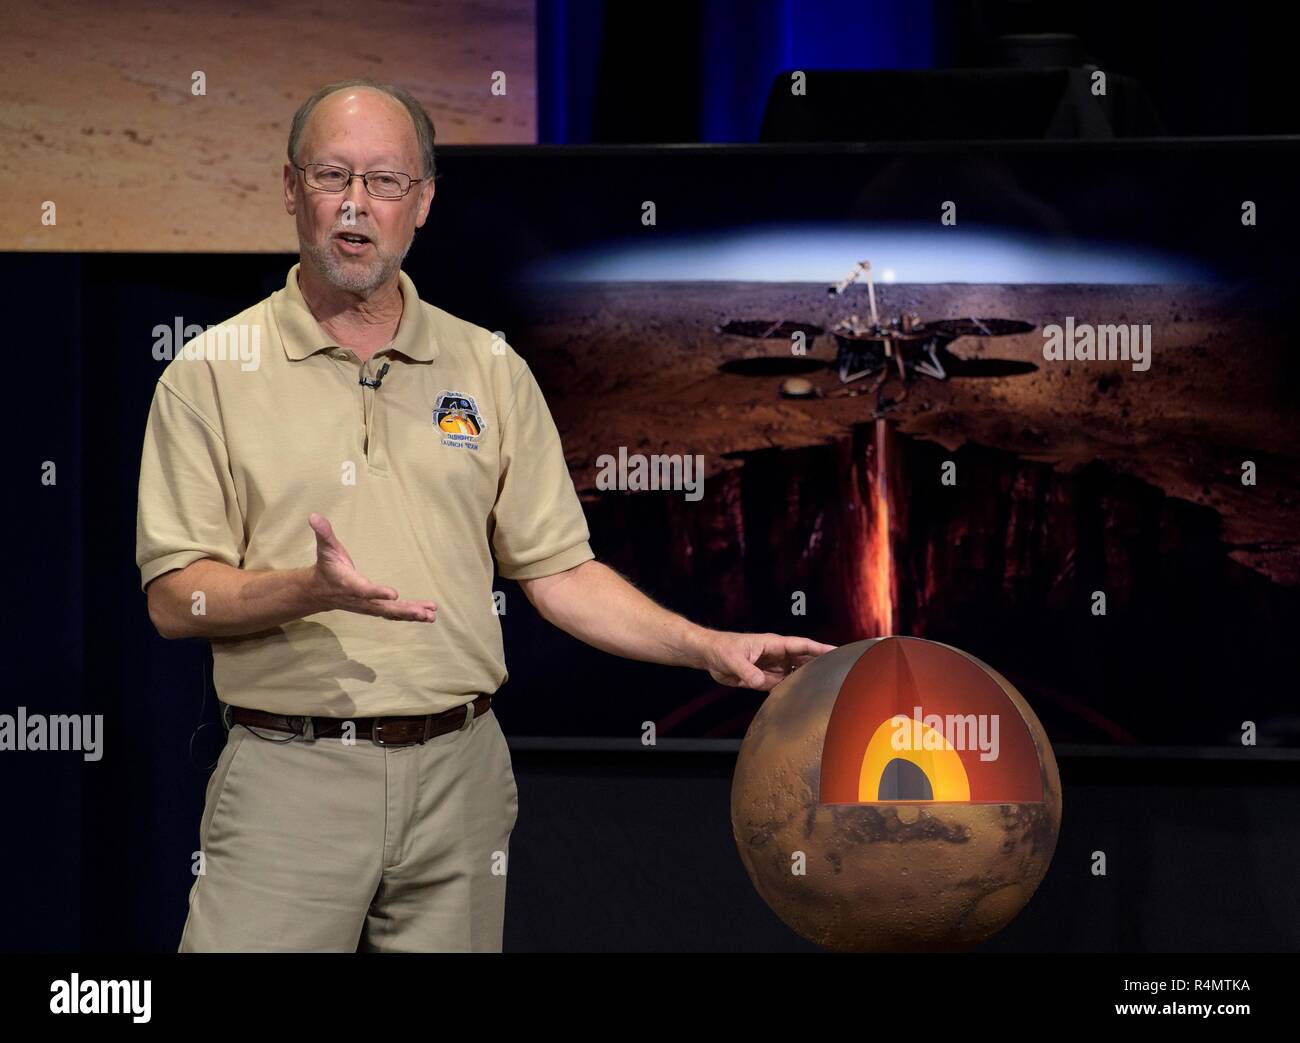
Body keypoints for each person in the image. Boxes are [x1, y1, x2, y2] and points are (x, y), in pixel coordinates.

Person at [135, 78, 835, 953]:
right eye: (331, 176)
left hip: (458, 779)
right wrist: (306, 589)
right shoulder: (208, 374)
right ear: (290, 190)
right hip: (291, 777)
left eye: (386, 181)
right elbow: (175, 598)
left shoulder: (488, 366)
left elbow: (558, 572)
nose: (357, 205)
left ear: (422, 201)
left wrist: (706, 647)